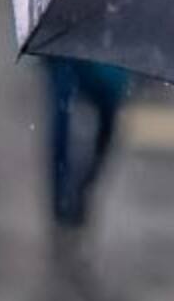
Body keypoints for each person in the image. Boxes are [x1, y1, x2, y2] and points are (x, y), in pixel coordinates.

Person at [46, 55, 129, 227]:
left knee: (106, 120)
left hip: (106, 59)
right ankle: (63, 194)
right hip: (70, 53)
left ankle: (75, 189)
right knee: (61, 120)